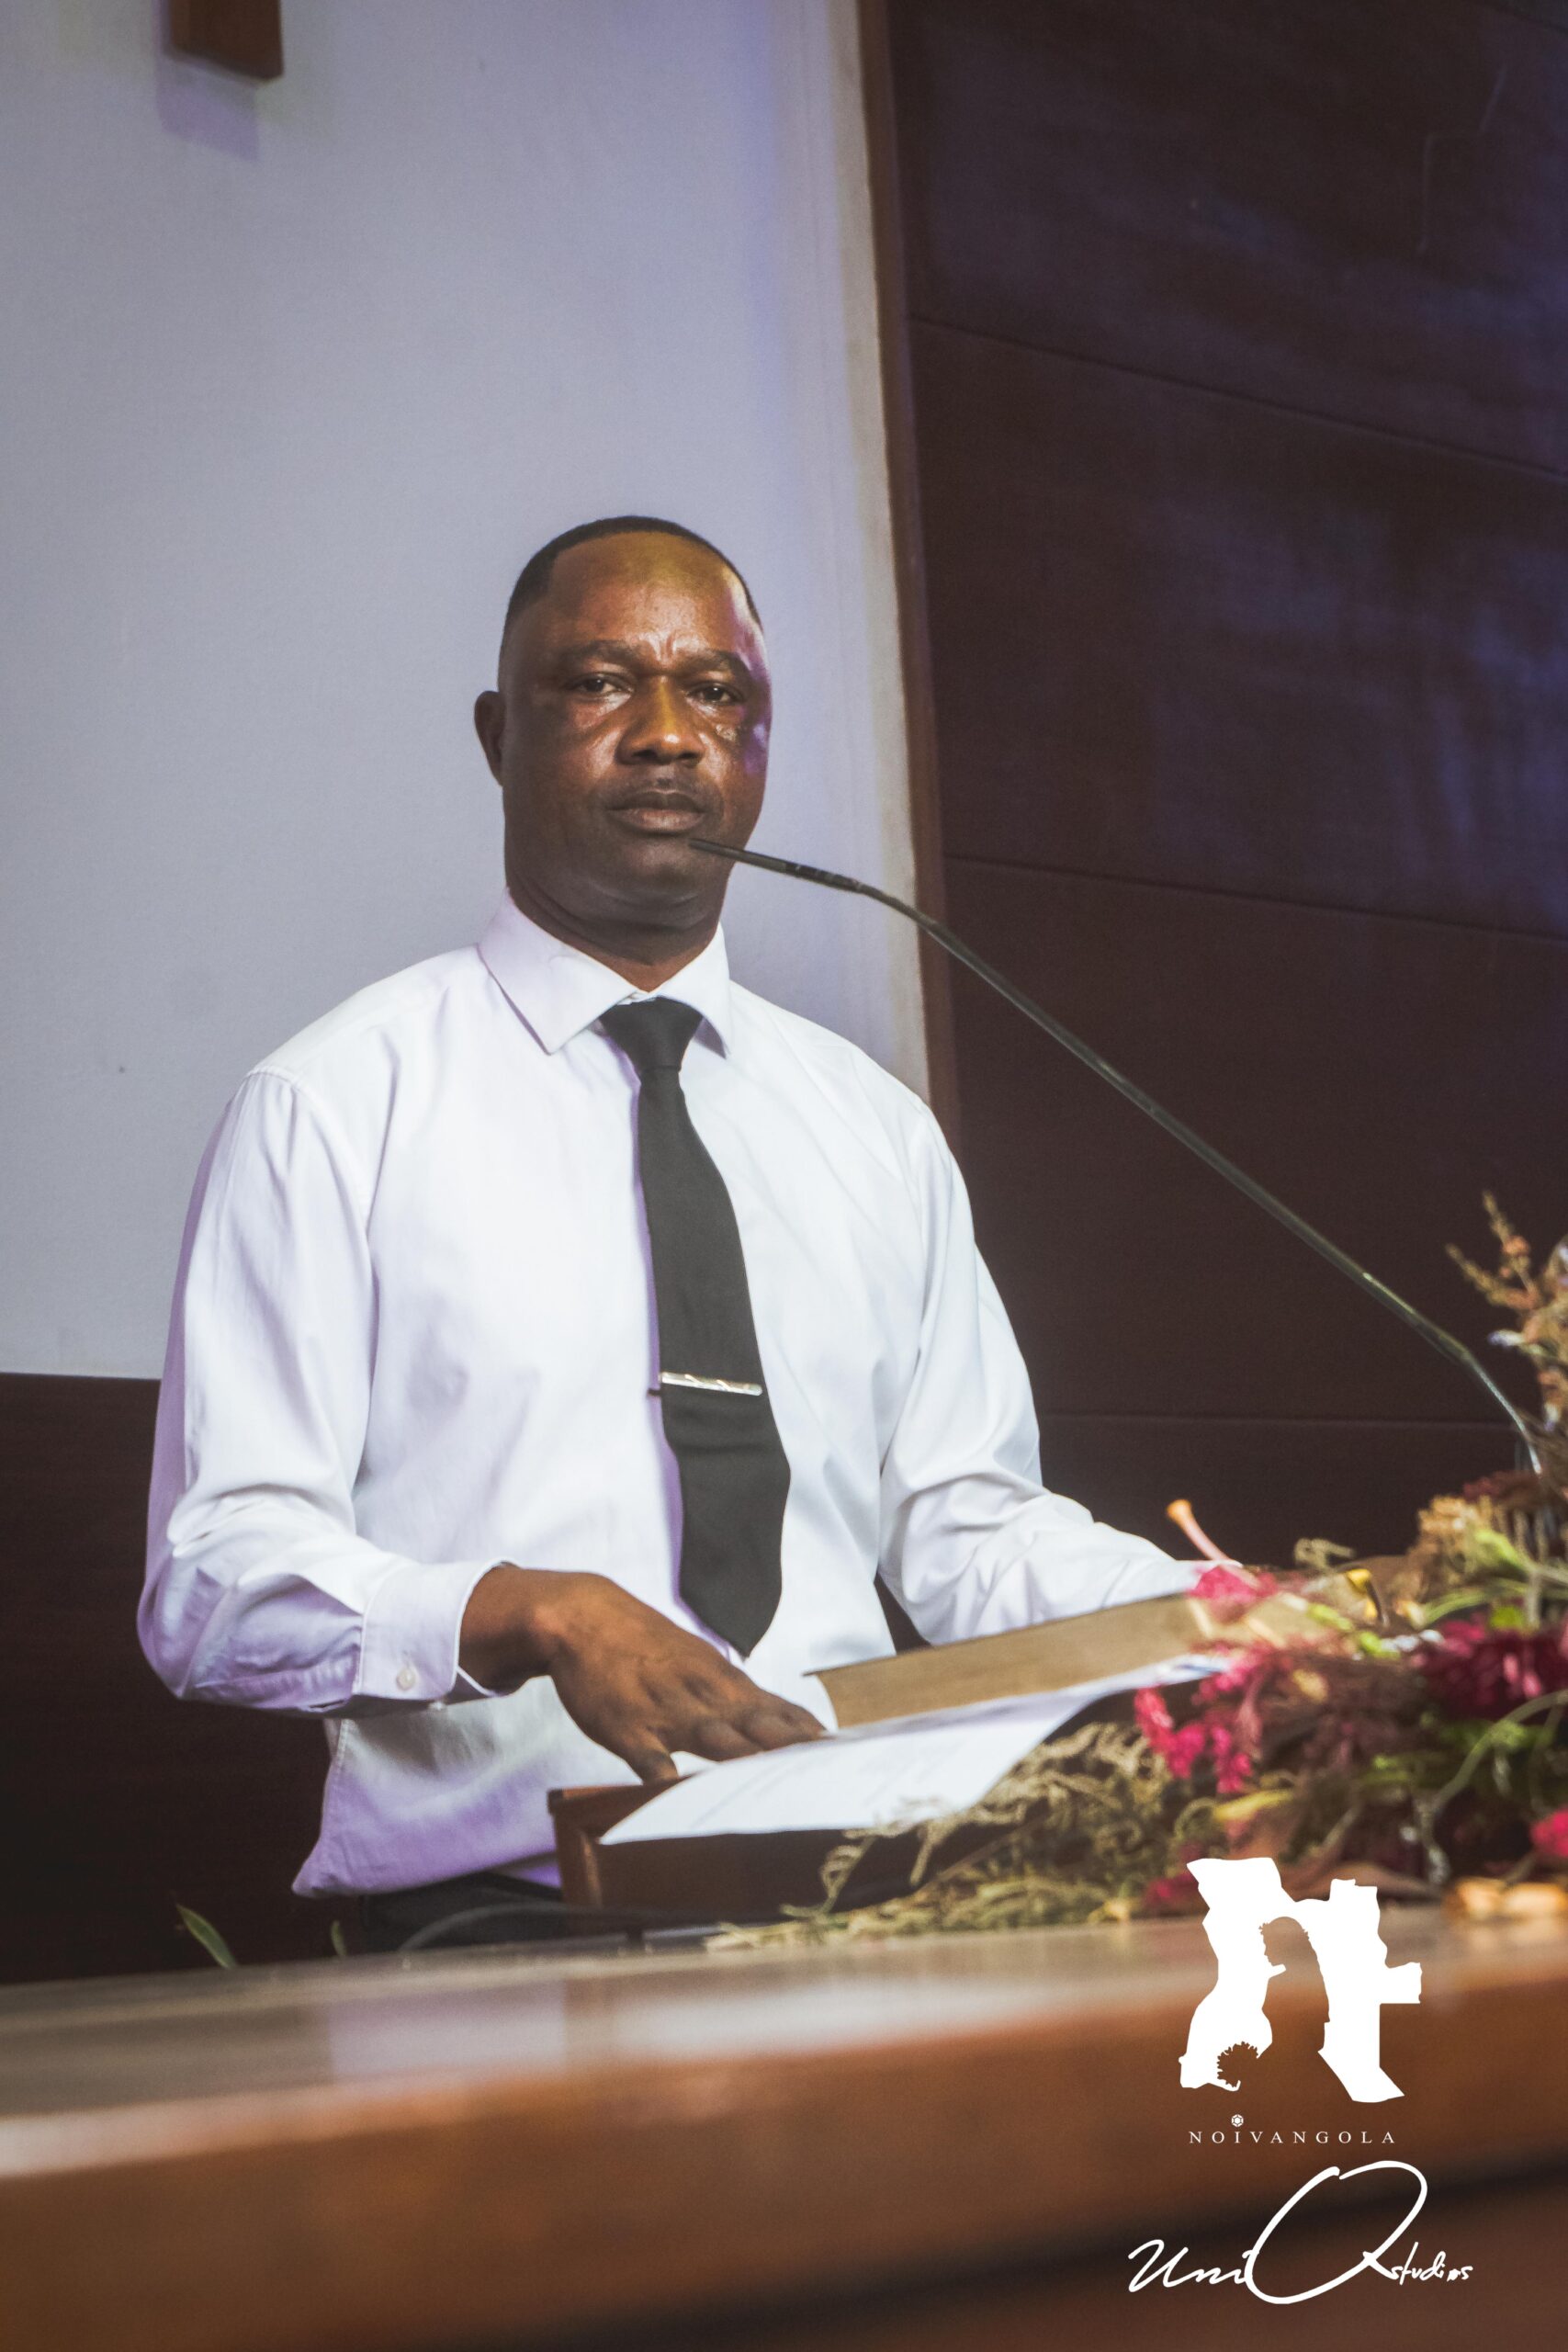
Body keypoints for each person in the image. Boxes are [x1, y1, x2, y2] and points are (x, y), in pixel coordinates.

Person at [141, 515, 1193, 1950]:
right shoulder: (333, 1107)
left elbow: (967, 1529)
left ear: (758, 747)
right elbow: (213, 1582)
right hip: (499, 1932)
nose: (666, 735)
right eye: (598, 684)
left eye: (717, 693)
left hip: (868, 1911)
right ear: (499, 735)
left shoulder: (874, 1130)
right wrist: (530, 1612)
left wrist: (1241, 1619)